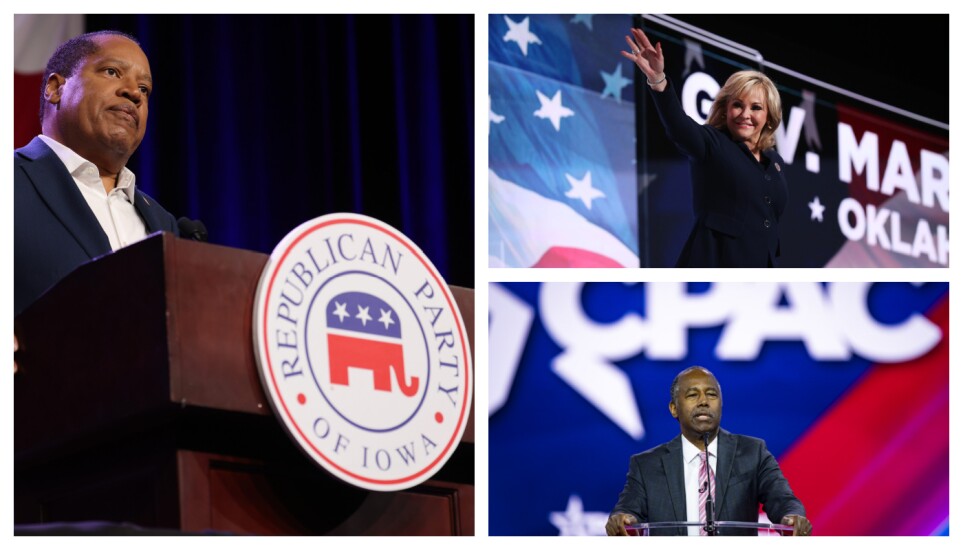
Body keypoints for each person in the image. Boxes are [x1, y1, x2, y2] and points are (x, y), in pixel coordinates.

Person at [14, 30, 179, 317]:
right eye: (112, 71)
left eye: (144, 89)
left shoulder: (165, 224)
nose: (133, 93)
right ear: (55, 88)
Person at [621, 27, 788, 267]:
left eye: (756, 107)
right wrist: (658, 80)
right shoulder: (712, 143)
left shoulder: (775, 163)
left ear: (769, 116)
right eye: (738, 105)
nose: (745, 114)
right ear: (725, 108)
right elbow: (679, 127)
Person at [606, 366, 812, 536]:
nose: (704, 401)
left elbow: (783, 500)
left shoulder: (753, 452)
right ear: (674, 408)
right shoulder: (647, 464)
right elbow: (627, 511)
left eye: (711, 394)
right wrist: (623, 519)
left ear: (721, 404)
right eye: (692, 395)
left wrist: (791, 517)